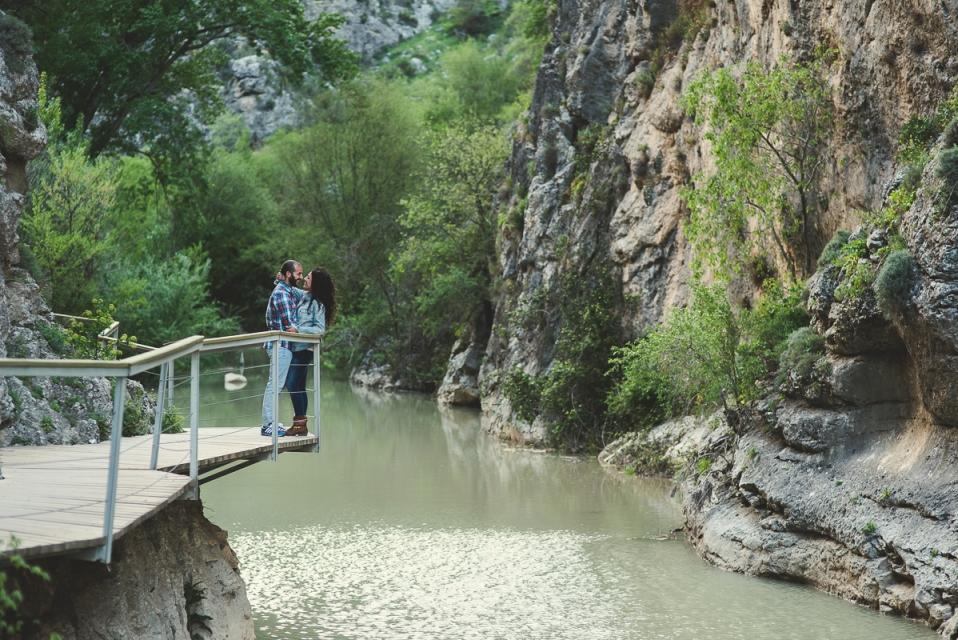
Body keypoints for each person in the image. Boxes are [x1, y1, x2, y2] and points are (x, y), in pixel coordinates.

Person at [283, 267, 338, 437]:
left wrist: (298, 330)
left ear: (316, 283)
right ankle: (301, 425)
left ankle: (299, 424)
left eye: (308, 277)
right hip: (297, 348)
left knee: (292, 384)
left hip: (304, 349)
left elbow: (320, 330)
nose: (304, 279)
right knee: (299, 386)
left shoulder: (317, 304)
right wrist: (281, 278)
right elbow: (291, 289)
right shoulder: (305, 296)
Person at [261, 260, 302, 437]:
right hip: (281, 345)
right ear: (288, 274)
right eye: (298, 274)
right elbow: (290, 325)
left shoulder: (286, 290)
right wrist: (307, 328)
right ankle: (267, 425)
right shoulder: (282, 294)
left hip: (282, 346)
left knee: (276, 384)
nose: (301, 277)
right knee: (275, 385)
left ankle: (271, 421)